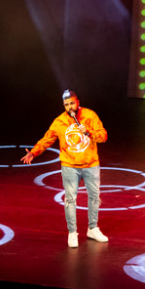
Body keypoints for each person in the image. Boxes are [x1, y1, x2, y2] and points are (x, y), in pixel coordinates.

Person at [22, 89, 109, 248]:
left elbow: (103, 136)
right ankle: (72, 232)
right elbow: (47, 140)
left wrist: (89, 132)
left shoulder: (90, 116)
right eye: (66, 104)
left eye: (72, 103)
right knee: (70, 200)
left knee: (95, 197)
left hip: (91, 164)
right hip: (69, 166)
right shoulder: (59, 122)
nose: (70, 107)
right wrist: (33, 152)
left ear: (77, 102)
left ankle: (93, 228)